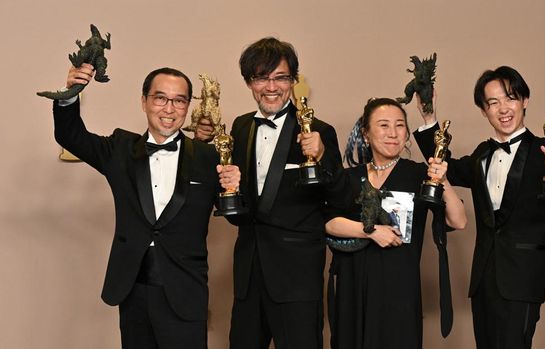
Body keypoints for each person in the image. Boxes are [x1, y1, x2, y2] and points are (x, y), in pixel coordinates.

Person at [413, 66, 545, 349]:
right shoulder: (481, 154)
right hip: (483, 281)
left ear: (525, 101)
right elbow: (443, 167)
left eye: (510, 98)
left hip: (523, 278)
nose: (503, 108)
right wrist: (429, 118)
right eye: (493, 102)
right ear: (484, 110)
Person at [52, 64, 241, 349]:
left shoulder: (209, 157)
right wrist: (70, 93)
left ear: (188, 106)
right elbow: (71, 136)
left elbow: (237, 215)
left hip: (185, 291)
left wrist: (234, 188)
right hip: (132, 289)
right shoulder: (120, 149)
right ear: (144, 101)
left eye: (179, 100)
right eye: (160, 98)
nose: (169, 108)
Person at [195, 37, 348, 348]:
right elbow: (238, 203)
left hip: (297, 276)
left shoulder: (317, 129)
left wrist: (319, 158)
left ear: (293, 80)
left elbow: (341, 196)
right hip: (248, 274)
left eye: (281, 77)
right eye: (261, 77)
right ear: (249, 82)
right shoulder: (239, 128)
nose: (271, 86)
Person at [325, 97, 467, 349]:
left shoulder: (417, 174)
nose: (393, 133)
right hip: (352, 285)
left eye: (400, 125)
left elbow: (458, 220)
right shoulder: (349, 177)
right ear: (366, 134)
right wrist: (369, 231)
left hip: (399, 287)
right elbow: (329, 223)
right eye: (383, 125)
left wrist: (442, 180)